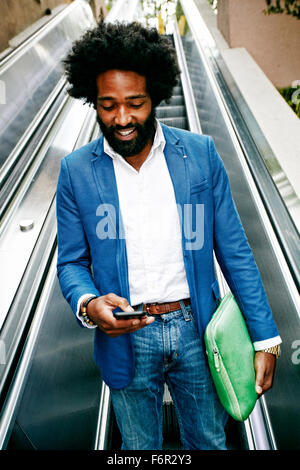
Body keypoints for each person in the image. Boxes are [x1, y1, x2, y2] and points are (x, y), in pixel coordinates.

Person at [56, 21, 282, 450]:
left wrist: (265, 338)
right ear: (93, 101)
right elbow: (70, 262)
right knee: (139, 448)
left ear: (155, 96)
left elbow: (234, 250)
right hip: (125, 336)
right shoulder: (76, 172)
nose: (122, 118)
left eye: (135, 103)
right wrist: (89, 303)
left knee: (210, 442)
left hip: (197, 329)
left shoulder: (199, 154)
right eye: (108, 106)